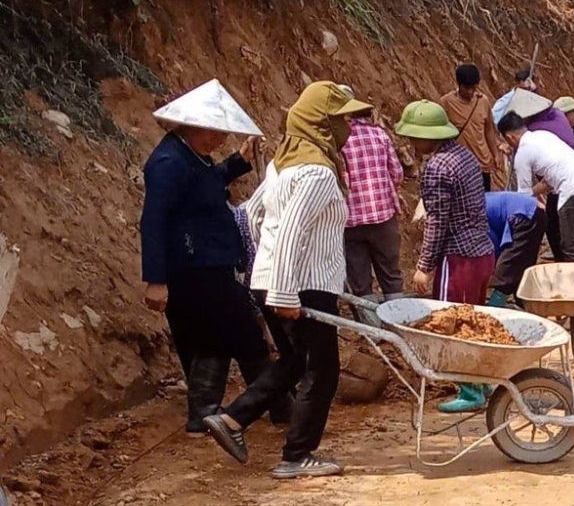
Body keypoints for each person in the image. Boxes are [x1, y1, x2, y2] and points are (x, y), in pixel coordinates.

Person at [204, 81, 373, 480]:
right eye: (342, 119)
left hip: (274, 280)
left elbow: (252, 215)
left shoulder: (282, 164)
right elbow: (294, 230)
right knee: (323, 370)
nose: (348, 126)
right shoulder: (316, 172)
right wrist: (285, 288)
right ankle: (297, 455)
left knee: (296, 362)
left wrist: (265, 268)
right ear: (322, 122)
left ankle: (231, 419)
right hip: (300, 286)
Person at [139, 79, 273, 436]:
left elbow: (209, 182)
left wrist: (238, 162)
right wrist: (155, 279)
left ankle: (222, 410)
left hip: (209, 262)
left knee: (219, 335)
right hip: (191, 267)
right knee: (235, 332)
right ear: (193, 127)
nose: (219, 139)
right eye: (213, 132)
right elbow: (153, 221)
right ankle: (262, 403)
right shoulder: (167, 163)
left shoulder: (191, 156)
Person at [395, 100, 497, 413]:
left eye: (414, 137)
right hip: (481, 251)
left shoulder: (436, 168)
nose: (411, 144)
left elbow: (437, 222)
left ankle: (470, 389)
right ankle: (482, 380)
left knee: (452, 323)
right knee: (473, 319)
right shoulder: (463, 155)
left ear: (429, 136)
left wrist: (425, 267)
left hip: (459, 257)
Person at [498, 110, 574, 264]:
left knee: (571, 247)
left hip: (573, 193)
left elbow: (523, 197)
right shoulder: (543, 136)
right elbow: (549, 180)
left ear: (510, 137)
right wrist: (534, 193)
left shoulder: (523, 152)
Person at [341, 96, 405, 302]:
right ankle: (397, 325)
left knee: (360, 281)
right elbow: (396, 173)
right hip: (384, 218)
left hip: (351, 222)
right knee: (391, 275)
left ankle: (371, 330)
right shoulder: (380, 135)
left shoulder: (338, 141)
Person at [439, 64, 505, 192]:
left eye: (473, 88)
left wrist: (495, 154)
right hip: (459, 165)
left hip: (482, 163)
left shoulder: (483, 101)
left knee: (484, 201)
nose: (470, 92)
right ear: (459, 85)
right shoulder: (446, 103)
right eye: (466, 88)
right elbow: (441, 134)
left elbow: (489, 130)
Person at [485, 190, 546, 308]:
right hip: (530, 212)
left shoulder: (475, 215)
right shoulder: (478, 204)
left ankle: (495, 308)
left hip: (526, 216)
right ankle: (526, 305)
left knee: (507, 267)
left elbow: (493, 246)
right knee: (520, 266)